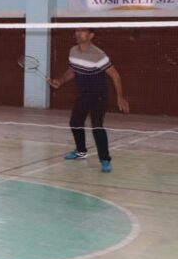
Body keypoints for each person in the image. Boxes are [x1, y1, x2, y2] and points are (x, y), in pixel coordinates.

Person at [49, 28, 130, 172]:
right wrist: (60, 81)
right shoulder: (73, 51)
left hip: (99, 95)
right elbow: (72, 70)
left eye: (82, 31)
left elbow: (115, 75)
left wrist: (120, 97)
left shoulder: (98, 55)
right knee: (75, 122)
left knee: (97, 126)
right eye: (77, 31)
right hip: (83, 94)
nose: (78, 33)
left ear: (91, 35)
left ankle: (105, 159)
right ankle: (81, 151)